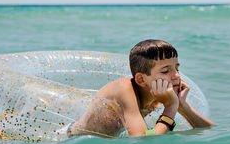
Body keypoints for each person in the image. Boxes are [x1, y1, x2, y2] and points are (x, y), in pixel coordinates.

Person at [67, 39, 214, 138]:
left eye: (177, 68)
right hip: (72, 137)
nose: (176, 75)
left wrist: (182, 106)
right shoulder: (124, 90)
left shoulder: (161, 92)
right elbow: (142, 141)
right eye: (165, 71)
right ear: (141, 79)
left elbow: (210, 130)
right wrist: (170, 107)